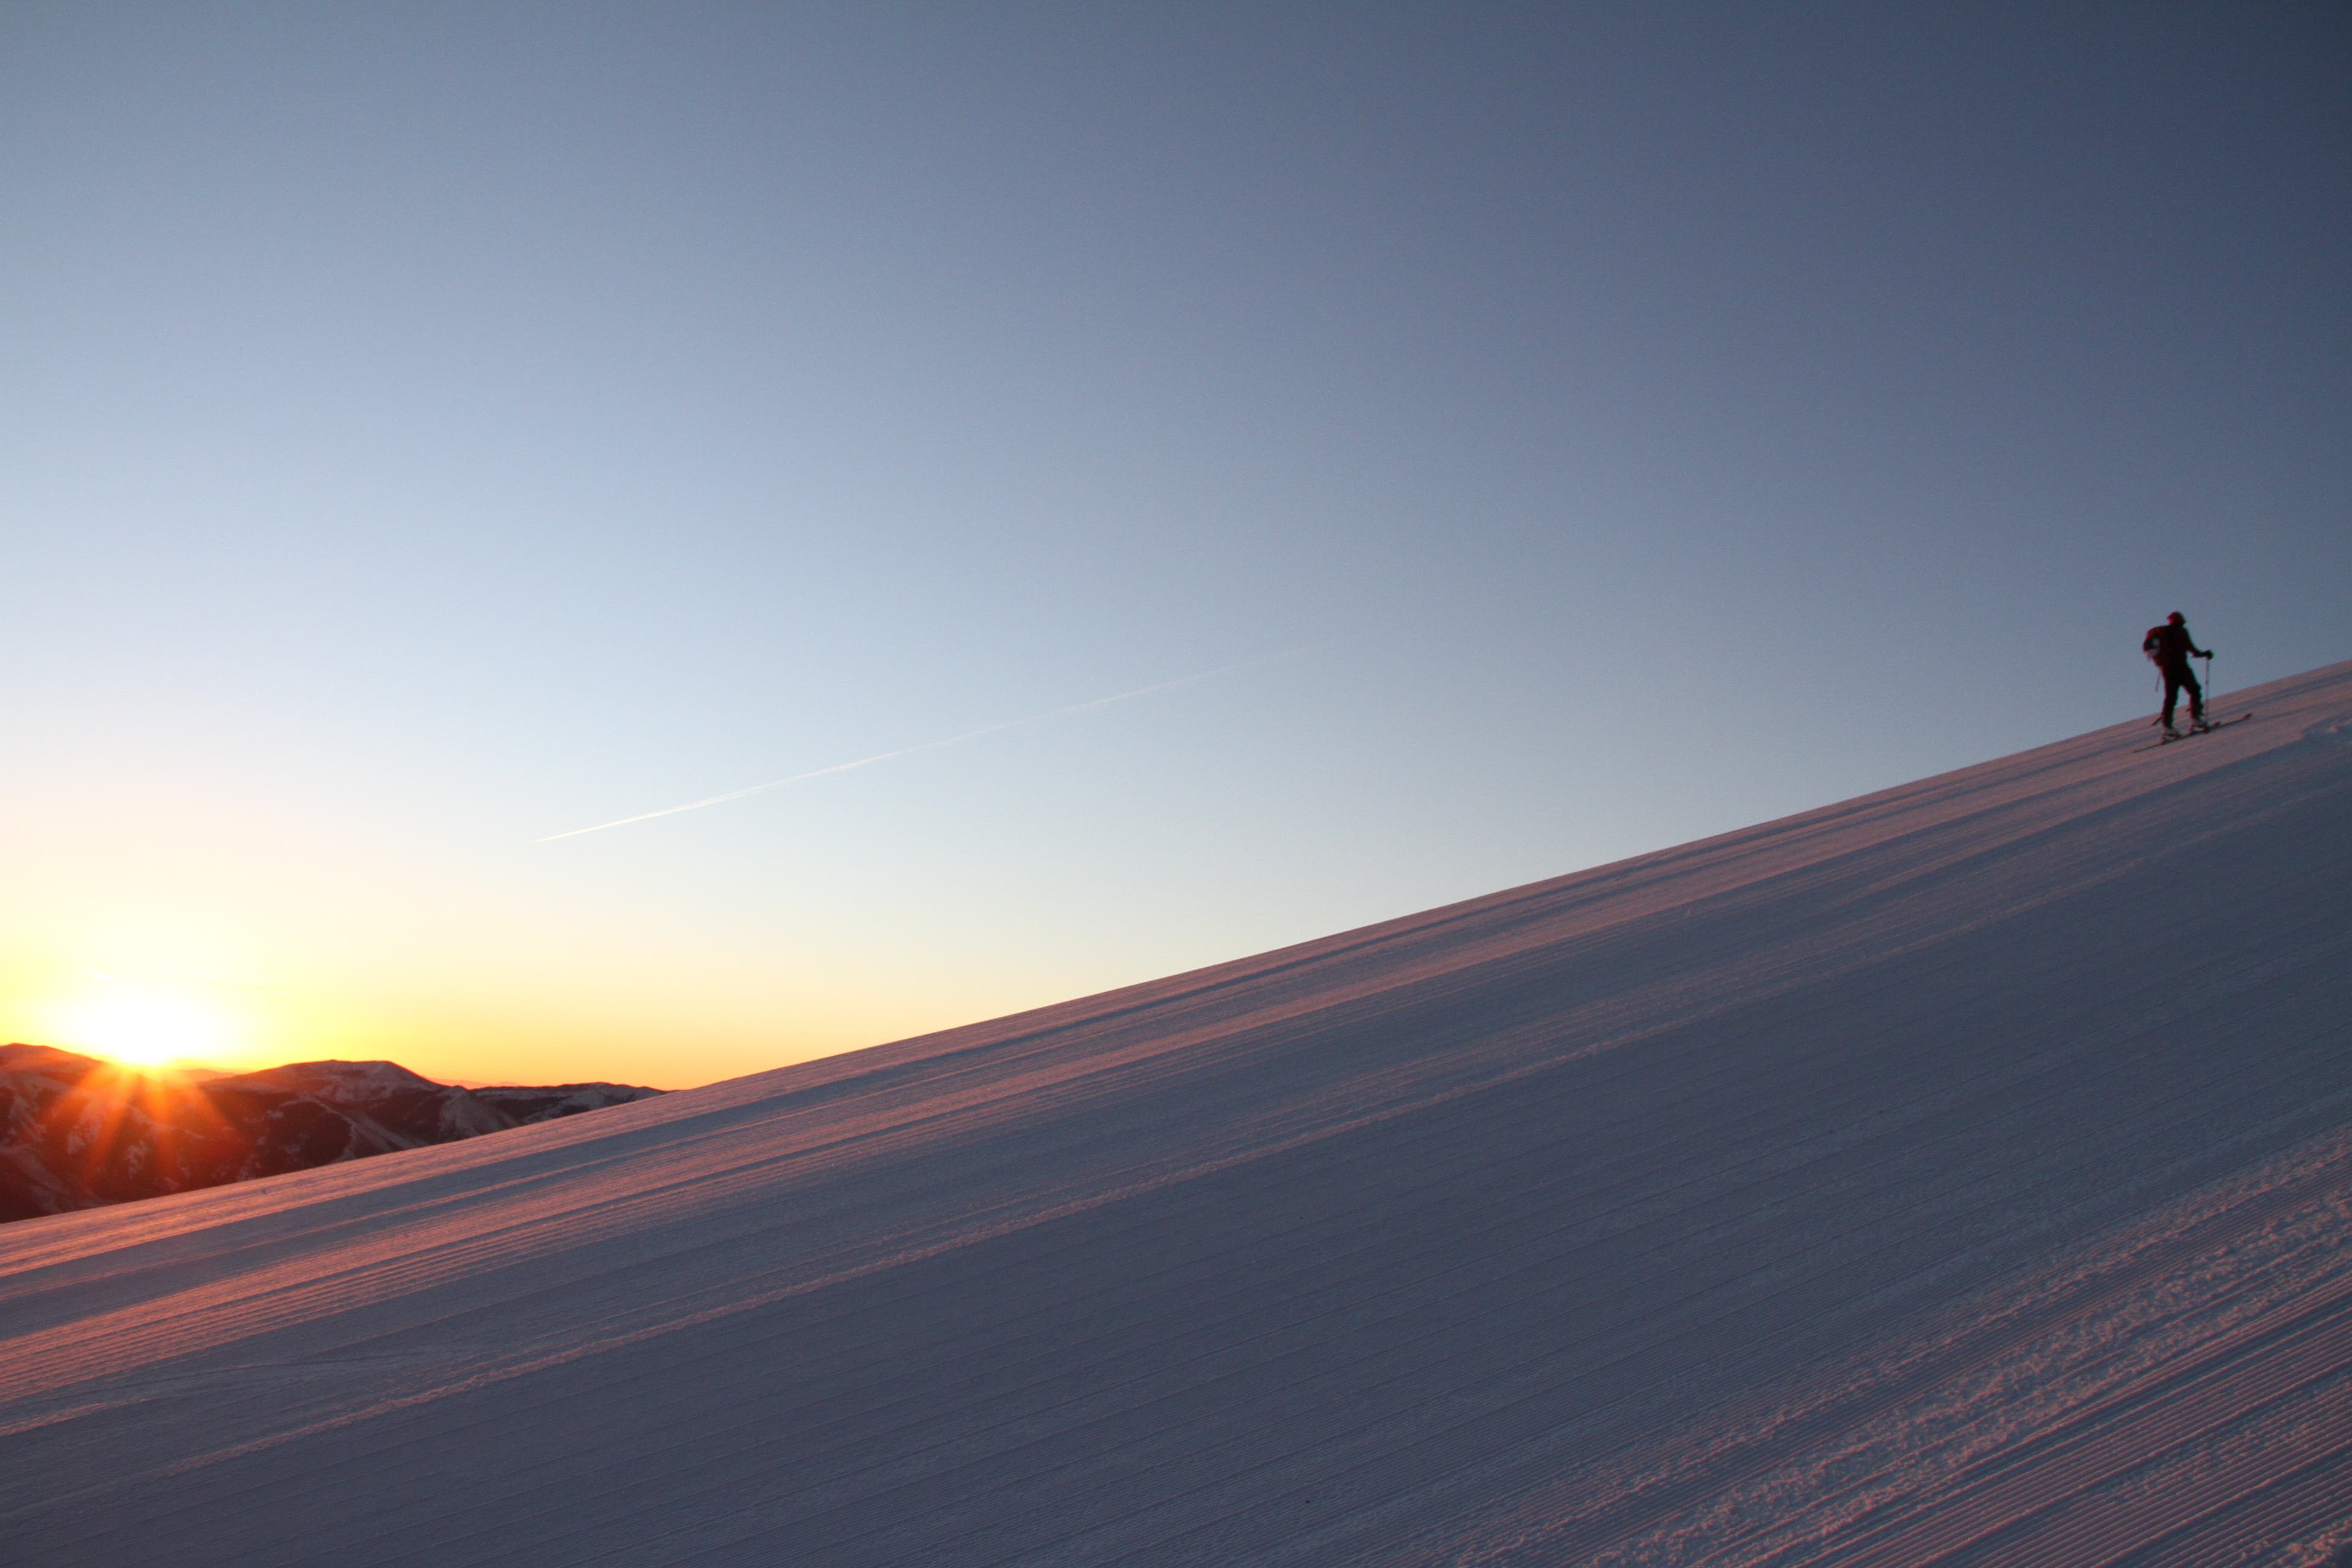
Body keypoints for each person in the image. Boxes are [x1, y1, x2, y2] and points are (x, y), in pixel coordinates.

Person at [2142, 611, 2213, 734]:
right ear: (2181, 621)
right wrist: (2204, 654)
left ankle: (2167, 726)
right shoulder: (2181, 632)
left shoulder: (2161, 633)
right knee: (2194, 690)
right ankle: (2196, 719)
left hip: (2166, 668)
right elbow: (2191, 648)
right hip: (2181, 666)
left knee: (2171, 697)